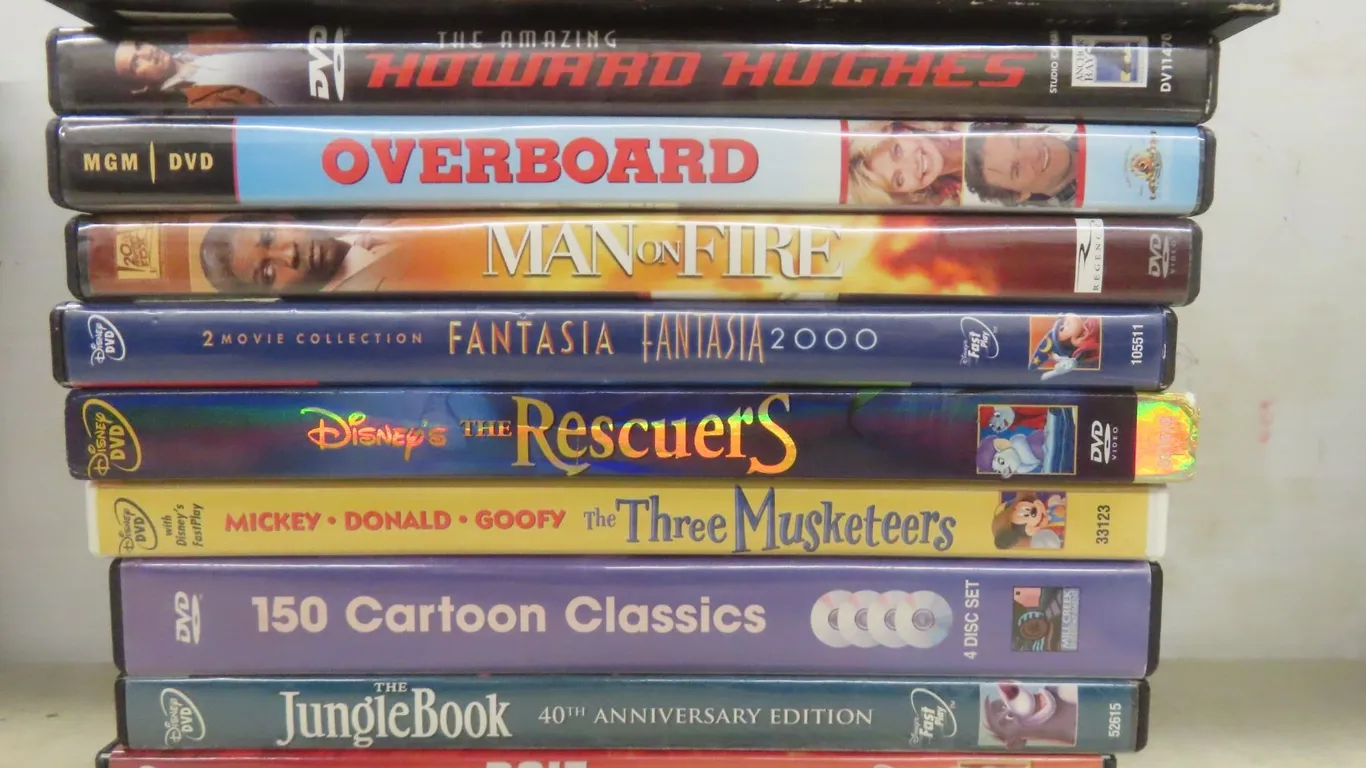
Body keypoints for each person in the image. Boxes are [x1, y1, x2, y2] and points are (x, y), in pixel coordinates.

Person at [197, 215, 402, 293]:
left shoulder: (375, 217)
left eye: (269, 236)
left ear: (282, 216)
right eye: (268, 273)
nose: (290, 254)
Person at [107, 32, 309, 107]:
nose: (147, 53)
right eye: (136, 63)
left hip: (309, 56)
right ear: (140, 87)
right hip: (311, 101)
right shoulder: (203, 106)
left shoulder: (202, 39)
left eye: (139, 45)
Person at [846, 121, 966, 207]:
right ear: (908, 193)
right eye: (899, 180)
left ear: (902, 131)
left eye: (898, 151)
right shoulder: (959, 206)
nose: (912, 166)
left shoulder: (959, 116)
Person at [964, 122, 1081, 207]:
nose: (1034, 154)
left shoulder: (1088, 119)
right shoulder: (1080, 221)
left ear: (1025, 127)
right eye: (1017, 170)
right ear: (1020, 195)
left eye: (1018, 140)